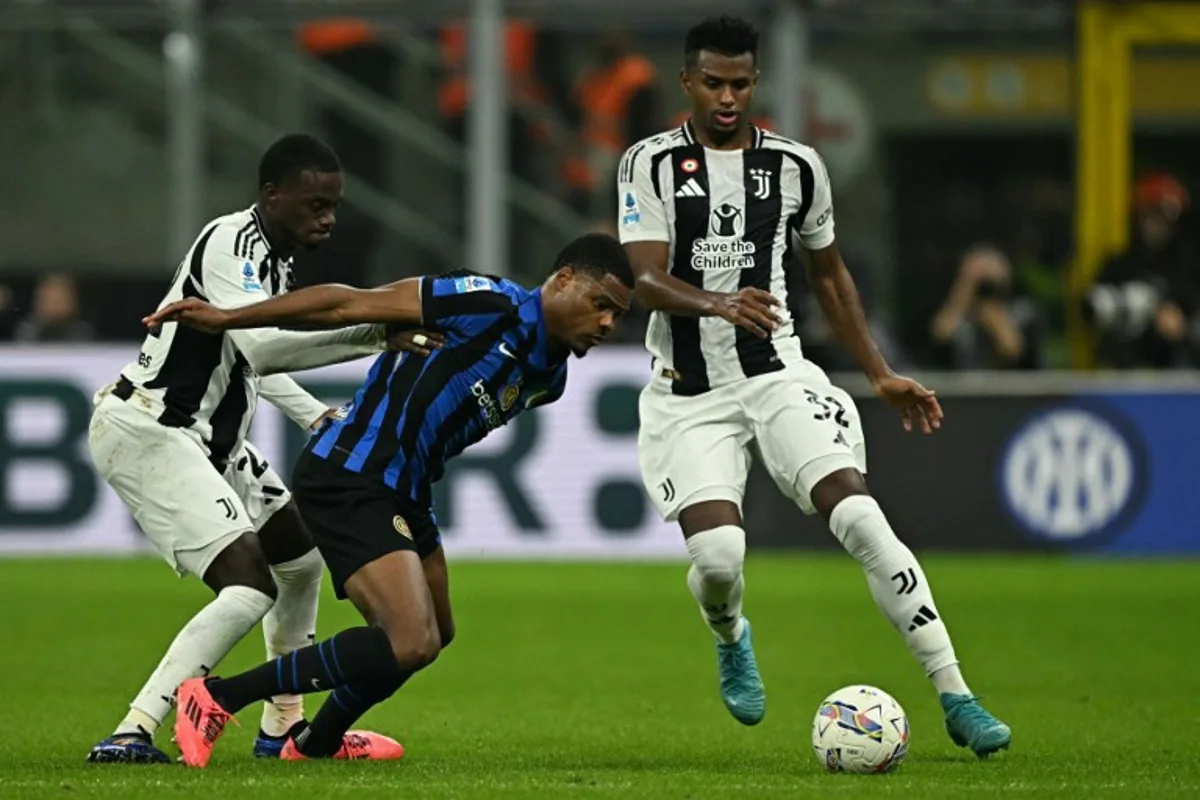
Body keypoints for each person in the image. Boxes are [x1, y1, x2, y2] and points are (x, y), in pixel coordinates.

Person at [616, 16, 1011, 757]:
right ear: (687, 83)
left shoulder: (797, 167)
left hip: (778, 375)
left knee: (863, 520)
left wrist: (880, 372)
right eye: (712, 83)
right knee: (720, 559)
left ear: (755, 83)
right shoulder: (651, 163)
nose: (726, 97)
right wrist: (718, 302)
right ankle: (731, 632)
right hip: (688, 392)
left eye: (739, 83)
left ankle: (958, 694)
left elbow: (829, 277)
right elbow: (642, 277)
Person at [141, 233, 634, 768]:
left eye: (618, 315)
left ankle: (314, 744)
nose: (607, 324)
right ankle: (216, 696)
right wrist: (230, 318)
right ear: (563, 280)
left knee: (436, 632)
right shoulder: (485, 301)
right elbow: (346, 301)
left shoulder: (551, 376)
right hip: (352, 472)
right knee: (408, 639)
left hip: (406, 489)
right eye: (600, 304)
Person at [86, 133, 435, 764]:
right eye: (314, 204)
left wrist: (313, 416)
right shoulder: (231, 243)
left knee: (299, 563)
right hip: (151, 429)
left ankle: (282, 732)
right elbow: (263, 347)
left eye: (333, 205)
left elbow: (253, 362)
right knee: (248, 585)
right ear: (272, 196)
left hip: (213, 443)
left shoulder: (276, 262)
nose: (326, 217)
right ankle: (133, 731)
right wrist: (378, 333)